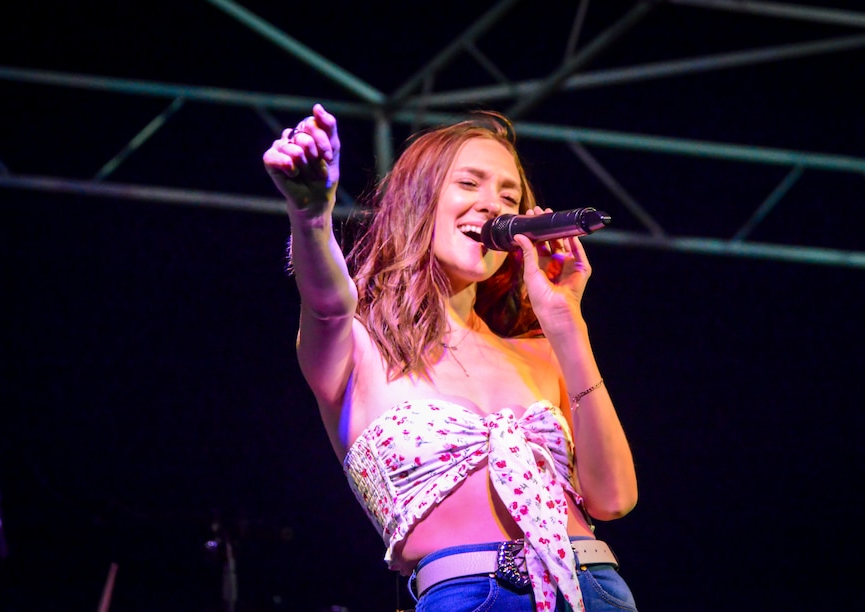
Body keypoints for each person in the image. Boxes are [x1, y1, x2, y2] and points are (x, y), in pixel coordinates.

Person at [262, 103, 639, 611]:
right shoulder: (360, 344)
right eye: (470, 184)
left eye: (509, 194)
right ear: (419, 202)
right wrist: (311, 215)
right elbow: (328, 305)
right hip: (466, 594)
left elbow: (613, 498)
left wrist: (567, 324)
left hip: (592, 586)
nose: (492, 204)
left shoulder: (537, 350)